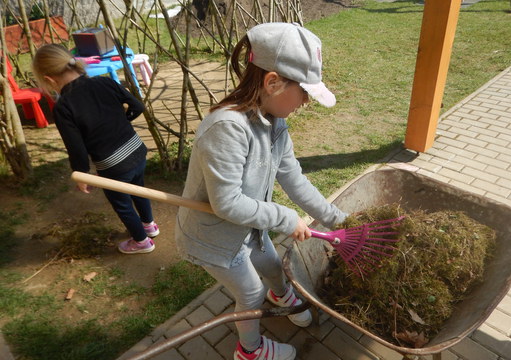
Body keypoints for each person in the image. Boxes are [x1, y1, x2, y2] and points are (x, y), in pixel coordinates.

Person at [175, 22, 347, 360]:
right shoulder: (227, 129)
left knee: (272, 265)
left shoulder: (276, 125)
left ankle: (282, 296)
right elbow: (226, 202)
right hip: (213, 236)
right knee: (251, 292)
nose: (304, 104)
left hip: (248, 228)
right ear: (272, 82)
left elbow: (294, 180)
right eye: (304, 94)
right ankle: (249, 350)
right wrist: (284, 217)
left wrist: (339, 219)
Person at [32, 44, 159, 255]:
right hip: (137, 150)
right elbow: (138, 106)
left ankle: (141, 241)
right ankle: (149, 225)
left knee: (122, 204)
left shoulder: (64, 107)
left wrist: (82, 175)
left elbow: (77, 148)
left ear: (50, 79)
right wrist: (122, 121)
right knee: (139, 189)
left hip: (113, 166)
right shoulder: (105, 82)